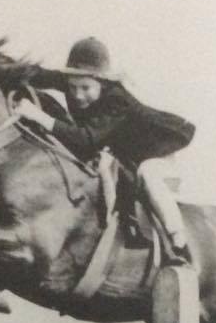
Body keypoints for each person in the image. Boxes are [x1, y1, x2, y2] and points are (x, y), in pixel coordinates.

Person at [16, 37, 196, 265]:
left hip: (158, 152)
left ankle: (179, 242)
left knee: (147, 174)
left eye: (85, 89)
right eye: (72, 87)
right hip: (127, 151)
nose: (78, 95)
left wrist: (38, 115)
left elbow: (86, 139)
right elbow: (37, 75)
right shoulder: (79, 82)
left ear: (102, 82)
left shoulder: (117, 100)